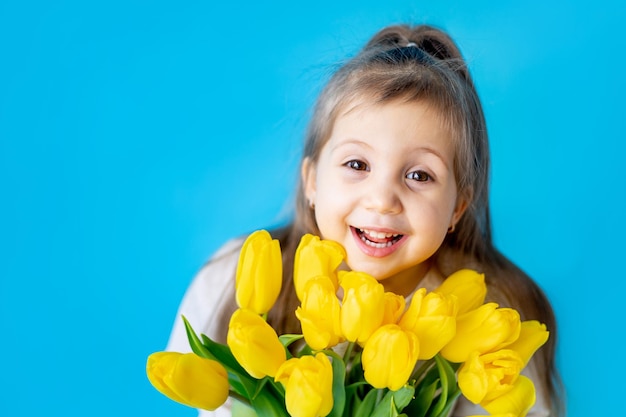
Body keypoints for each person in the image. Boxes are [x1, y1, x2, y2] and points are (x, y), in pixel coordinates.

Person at [167, 24, 564, 417]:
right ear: (312, 181)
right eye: (357, 164)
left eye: (420, 175)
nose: (382, 199)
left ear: (458, 207)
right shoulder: (231, 276)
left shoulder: (492, 317)